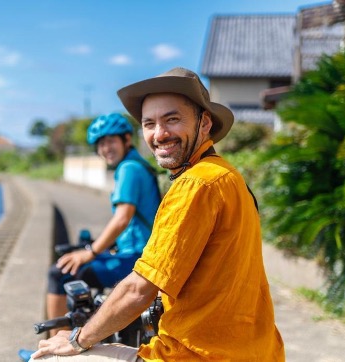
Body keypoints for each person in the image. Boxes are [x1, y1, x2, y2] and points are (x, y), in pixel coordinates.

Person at [31, 67, 284, 361]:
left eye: (172, 119)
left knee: (51, 358)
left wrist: (77, 340)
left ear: (204, 123)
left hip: (197, 355)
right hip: (255, 350)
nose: (160, 134)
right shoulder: (227, 175)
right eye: (149, 123)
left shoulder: (194, 184)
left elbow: (139, 289)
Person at [45, 112, 161, 333]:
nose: (105, 149)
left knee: (59, 273)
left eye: (110, 142)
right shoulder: (138, 165)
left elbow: (122, 218)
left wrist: (91, 251)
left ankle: (56, 349)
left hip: (135, 259)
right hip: (140, 254)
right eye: (100, 144)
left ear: (126, 140)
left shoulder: (128, 169)